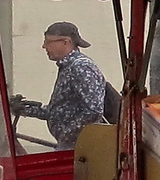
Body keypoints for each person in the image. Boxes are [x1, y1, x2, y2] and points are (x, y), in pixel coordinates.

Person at [13, 22, 115, 150]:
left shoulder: (81, 67)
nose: (44, 46)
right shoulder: (68, 67)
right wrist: (24, 109)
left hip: (79, 147)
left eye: (48, 41)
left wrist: (66, 136)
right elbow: (59, 111)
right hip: (72, 145)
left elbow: (93, 111)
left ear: (66, 42)